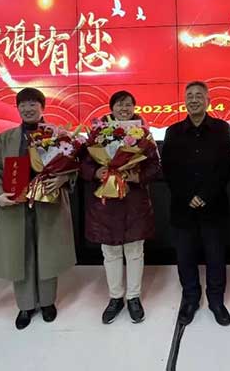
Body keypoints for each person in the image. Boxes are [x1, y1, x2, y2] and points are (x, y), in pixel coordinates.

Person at [0, 88, 77, 330]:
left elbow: (74, 165)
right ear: (17, 108)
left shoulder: (58, 135)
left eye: (33, 104)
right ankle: (25, 306)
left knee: (47, 254)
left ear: (42, 107)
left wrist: (64, 178)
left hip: (48, 204)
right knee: (20, 254)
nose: (28, 109)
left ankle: (47, 302)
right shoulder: (5, 138)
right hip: (15, 206)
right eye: (23, 104)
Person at [80, 90, 159, 324]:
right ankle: (115, 297)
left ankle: (133, 297)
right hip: (106, 203)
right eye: (119, 105)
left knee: (135, 250)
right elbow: (83, 163)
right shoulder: (98, 133)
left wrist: (139, 176)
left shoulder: (143, 134)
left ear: (134, 107)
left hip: (134, 201)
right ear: (111, 108)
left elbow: (155, 165)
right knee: (110, 252)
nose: (124, 109)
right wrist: (96, 172)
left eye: (128, 105)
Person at [161, 81, 230, 326]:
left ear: (208, 101)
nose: (194, 100)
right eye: (189, 96)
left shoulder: (222, 129)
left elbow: (226, 167)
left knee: (216, 256)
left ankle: (216, 300)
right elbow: (168, 169)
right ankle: (190, 298)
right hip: (182, 207)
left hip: (214, 205)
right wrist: (187, 196)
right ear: (185, 101)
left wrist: (205, 195)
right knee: (185, 257)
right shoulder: (172, 132)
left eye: (199, 96)